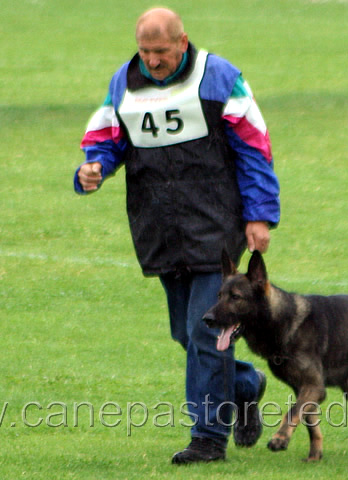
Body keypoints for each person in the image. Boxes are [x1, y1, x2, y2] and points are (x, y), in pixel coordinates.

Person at [74, 7, 280, 464]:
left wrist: (260, 214)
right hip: (161, 229)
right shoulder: (123, 82)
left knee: (206, 333)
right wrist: (92, 167)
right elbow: (107, 137)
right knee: (188, 336)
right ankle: (245, 385)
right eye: (145, 51)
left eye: (161, 51)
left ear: (182, 42)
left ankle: (207, 439)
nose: (152, 60)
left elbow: (254, 144)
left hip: (215, 228)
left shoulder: (219, 77)